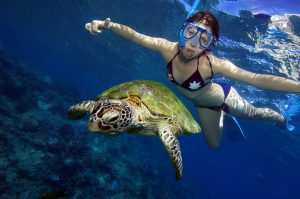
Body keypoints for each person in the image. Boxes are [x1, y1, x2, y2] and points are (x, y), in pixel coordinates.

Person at [85, 11, 300, 149]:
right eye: (190, 33)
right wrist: (108, 26)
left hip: (223, 97)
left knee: (255, 114)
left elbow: (258, 79)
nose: (193, 44)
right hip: (201, 103)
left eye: (204, 39)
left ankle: (281, 119)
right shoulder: (166, 48)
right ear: (182, 31)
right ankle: (221, 116)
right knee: (214, 145)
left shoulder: (213, 64)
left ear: (210, 45)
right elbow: (135, 36)